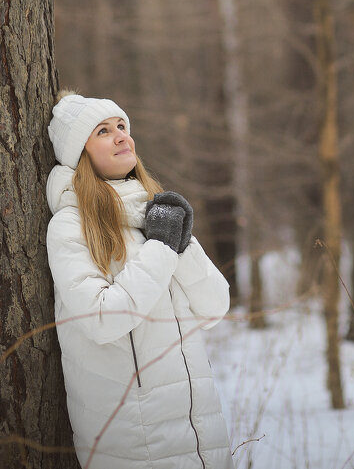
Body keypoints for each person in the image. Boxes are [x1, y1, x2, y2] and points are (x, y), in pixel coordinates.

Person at [46, 91, 235, 469]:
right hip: (136, 441)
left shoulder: (153, 211)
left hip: (202, 431)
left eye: (122, 126)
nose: (121, 136)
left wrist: (180, 245)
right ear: (79, 154)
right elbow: (102, 320)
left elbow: (215, 305)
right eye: (103, 131)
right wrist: (162, 249)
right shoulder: (70, 225)